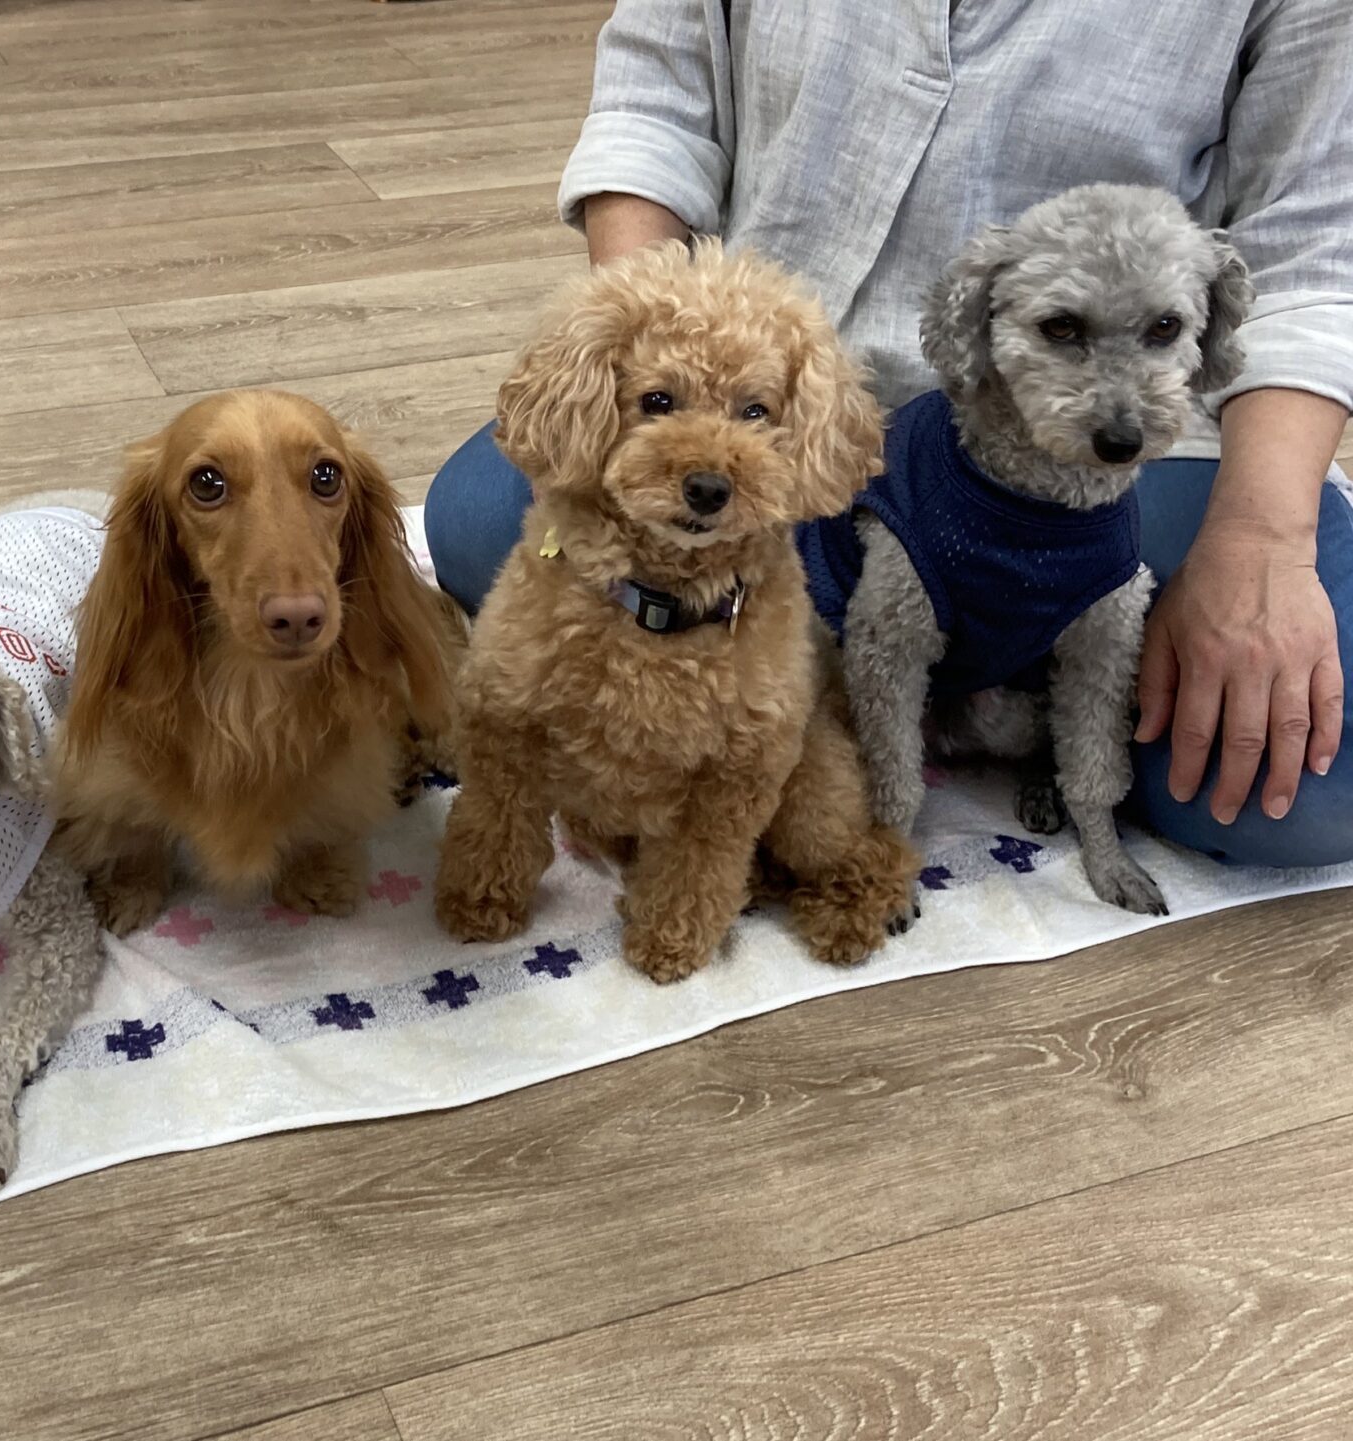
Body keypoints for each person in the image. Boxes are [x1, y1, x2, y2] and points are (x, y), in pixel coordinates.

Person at [423, 0, 1353, 868]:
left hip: (1103, 453)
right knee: (478, 520)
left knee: (1310, 786)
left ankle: (959, 686)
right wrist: (642, 380)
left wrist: (1264, 537)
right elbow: (655, 99)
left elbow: (1313, 244)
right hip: (767, 390)